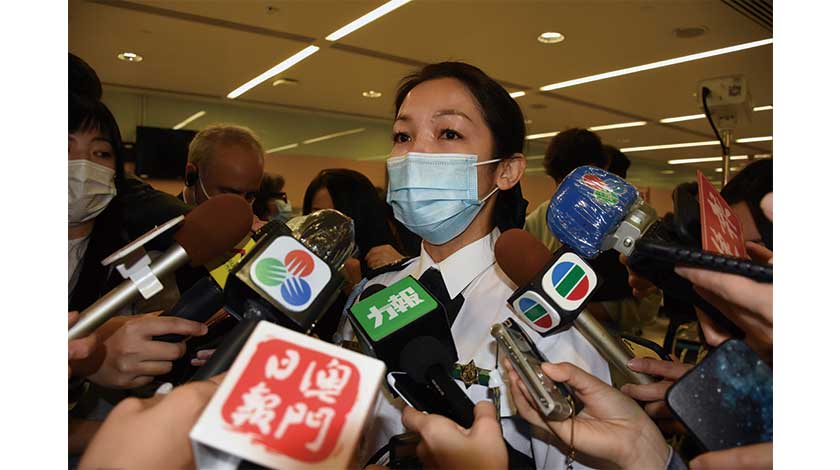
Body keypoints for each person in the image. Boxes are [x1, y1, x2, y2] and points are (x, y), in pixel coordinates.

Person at [342, 62, 609, 469]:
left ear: (507, 170)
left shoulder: (546, 320)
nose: (416, 153)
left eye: (448, 133)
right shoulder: (372, 294)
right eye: (402, 136)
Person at [179, 124, 265, 207]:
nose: (240, 208)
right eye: (230, 195)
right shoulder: (171, 215)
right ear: (190, 175)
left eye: (249, 196)